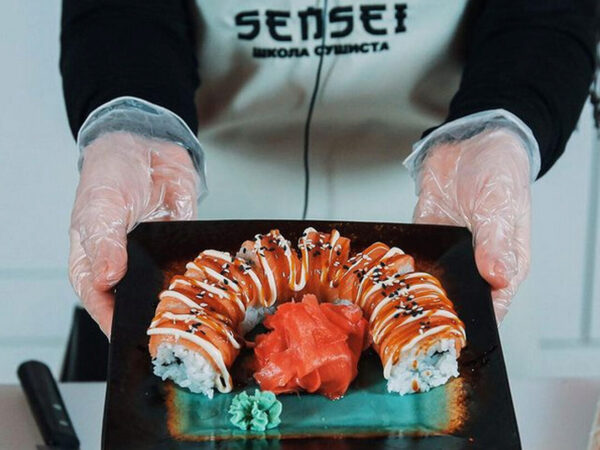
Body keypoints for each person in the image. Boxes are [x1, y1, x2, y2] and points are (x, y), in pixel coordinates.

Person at [60, 0, 597, 341]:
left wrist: (497, 128)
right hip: (188, 207)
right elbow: (117, 13)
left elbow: (546, 15)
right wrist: (133, 125)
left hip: (443, 210)